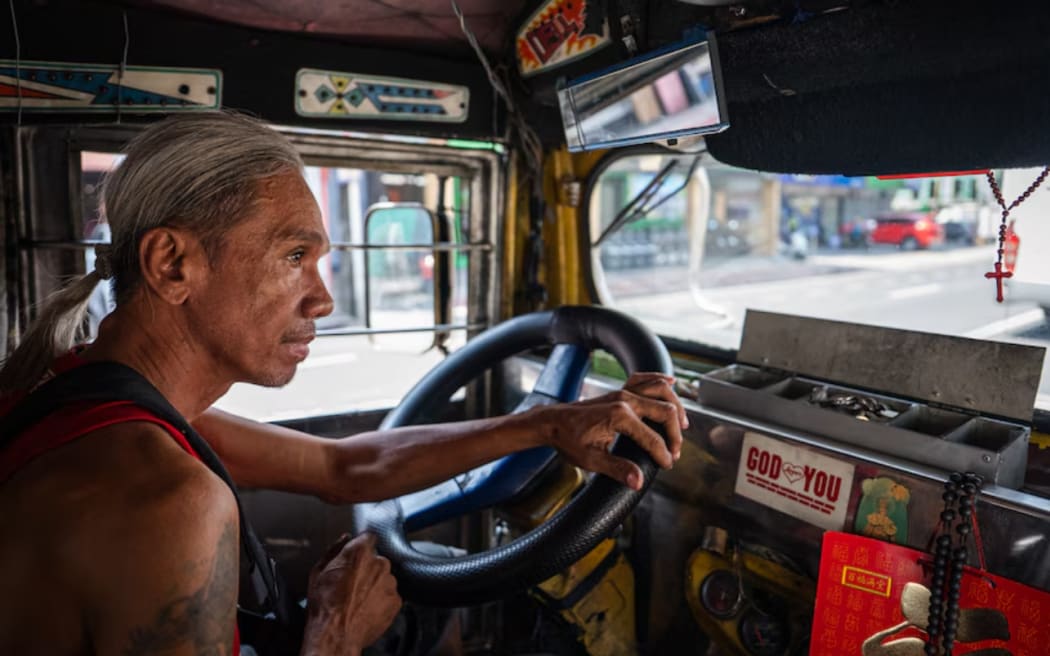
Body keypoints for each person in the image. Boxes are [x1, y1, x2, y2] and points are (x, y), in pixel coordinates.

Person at [0, 112, 686, 656]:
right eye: (294, 256)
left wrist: (546, 425)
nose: (323, 300)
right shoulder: (166, 503)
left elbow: (342, 465)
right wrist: (335, 634)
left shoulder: (92, 400)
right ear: (173, 264)